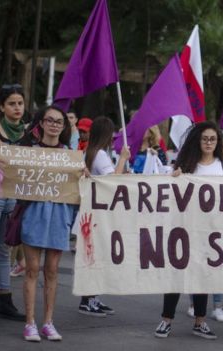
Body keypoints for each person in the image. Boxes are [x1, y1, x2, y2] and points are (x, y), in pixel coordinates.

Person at [155, 122, 223, 339]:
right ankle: (166, 320)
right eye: (205, 138)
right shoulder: (185, 164)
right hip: (184, 226)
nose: (209, 143)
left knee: (203, 275)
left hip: (210, 229)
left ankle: (200, 322)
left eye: (213, 139)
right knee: (176, 273)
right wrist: (174, 178)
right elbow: (170, 192)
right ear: (197, 141)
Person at [20, 105, 78, 342]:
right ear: (41, 123)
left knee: (52, 270)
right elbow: (14, 178)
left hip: (59, 214)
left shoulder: (71, 155)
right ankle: (30, 323)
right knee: (32, 269)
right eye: (50, 120)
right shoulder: (28, 151)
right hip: (34, 213)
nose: (54, 124)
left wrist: (82, 174)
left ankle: (48, 322)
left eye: (59, 121)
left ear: (64, 127)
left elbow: (78, 186)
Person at [0, 84, 27, 322]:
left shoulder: (28, 131)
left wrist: (4, 148)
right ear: (2, 107)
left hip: (14, 195)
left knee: (4, 250)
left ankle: (4, 302)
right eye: (12, 103)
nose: (17, 108)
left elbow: (25, 162)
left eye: (20, 103)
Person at [79, 116, 130, 317]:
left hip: (95, 209)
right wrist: (123, 159)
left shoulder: (93, 152)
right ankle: (88, 300)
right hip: (98, 211)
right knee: (95, 256)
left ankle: (92, 298)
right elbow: (111, 181)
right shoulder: (99, 154)